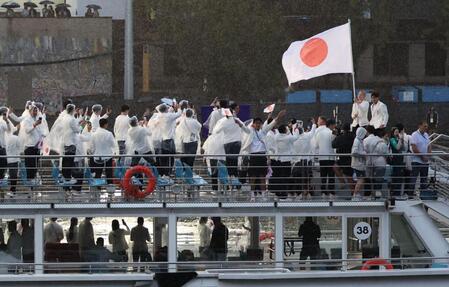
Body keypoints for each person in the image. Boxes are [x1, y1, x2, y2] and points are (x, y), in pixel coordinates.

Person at [240, 110, 286, 200]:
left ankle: (264, 195)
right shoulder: (250, 132)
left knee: (262, 177)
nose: (258, 125)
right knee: (252, 177)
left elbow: (272, 124)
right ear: (253, 124)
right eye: (256, 123)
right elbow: (242, 127)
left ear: (261, 124)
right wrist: (237, 121)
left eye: (259, 123)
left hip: (262, 156)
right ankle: (253, 195)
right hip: (253, 156)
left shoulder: (263, 131)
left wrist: (278, 116)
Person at [212, 102, 248, 178]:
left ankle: (230, 179)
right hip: (237, 143)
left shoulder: (223, 121)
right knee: (234, 162)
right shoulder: (237, 120)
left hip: (227, 143)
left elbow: (216, 131)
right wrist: (240, 124)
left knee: (228, 162)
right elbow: (247, 131)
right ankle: (235, 178)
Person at [312, 117, 336, 199]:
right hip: (330, 157)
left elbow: (316, 145)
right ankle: (331, 193)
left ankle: (323, 192)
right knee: (331, 176)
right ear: (331, 125)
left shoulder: (319, 133)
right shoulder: (331, 133)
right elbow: (334, 144)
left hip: (322, 157)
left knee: (323, 176)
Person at [291, 118, 317, 199]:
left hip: (297, 162)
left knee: (298, 179)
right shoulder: (307, 136)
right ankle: (307, 192)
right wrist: (314, 123)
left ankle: (299, 194)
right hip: (307, 161)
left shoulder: (293, 138)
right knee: (307, 178)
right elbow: (312, 131)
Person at [272, 124, 299, 198]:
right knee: (285, 177)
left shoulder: (276, 136)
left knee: (278, 177)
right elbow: (296, 137)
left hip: (278, 159)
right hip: (286, 160)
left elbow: (279, 133)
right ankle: (284, 194)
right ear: (284, 130)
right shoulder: (288, 137)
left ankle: (278, 193)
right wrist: (295, 129)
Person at [20, 104, 45, 184]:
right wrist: (34, 124)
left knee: (35, 166)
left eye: (36, 110)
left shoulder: (36, 119)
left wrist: (42, 136)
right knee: (30, 167)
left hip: (37, 146)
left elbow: (39, 132)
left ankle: (34, 188)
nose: (35, 112)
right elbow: (27, 130)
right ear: (30, 111)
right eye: (34, 110)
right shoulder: (26, 120)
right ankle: (30, 188)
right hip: (29, 147)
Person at [89, 118, 117, 188]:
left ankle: (97, 190)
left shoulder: (94, 134)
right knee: (109, 173)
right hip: (108, 156)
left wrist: (92, 153)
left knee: (98, 173)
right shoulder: (109, 134)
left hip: (97, 157)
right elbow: (113, 145)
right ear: (105, 125)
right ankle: (110, 191)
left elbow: (92, 147)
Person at [156, 104, 182, 176]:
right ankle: (169, 173)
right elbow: (179, 114)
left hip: (162, 140)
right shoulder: (168, 116)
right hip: (169, 140)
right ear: (166, 110)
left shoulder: (158, 116)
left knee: (164, 159)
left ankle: (164, 174)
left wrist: (171, 109)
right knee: (171, 158)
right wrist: (179, 107)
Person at [410, 121, 432, 198]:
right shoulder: (414, 135)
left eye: (427, 126)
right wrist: (423, 156)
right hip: (416, 161)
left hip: (425, 162)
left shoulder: (426, 135)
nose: (426, 128)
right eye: (424, 126)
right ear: (420, 126)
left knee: (424, 179)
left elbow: (429, 145)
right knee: (413, 178)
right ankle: (410, 195)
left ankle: (423, 195)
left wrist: (428, 155)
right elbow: (414, 148)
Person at [365, 129, 389, 197]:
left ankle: (369, 194)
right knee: (379, 178)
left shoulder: (367, 140)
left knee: (369, 178)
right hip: (381, 163)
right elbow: (387, 153)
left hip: (370, 162)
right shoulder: (382, 142)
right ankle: (377, 192)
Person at [332, 123, 355, 190]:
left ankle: (354, 193)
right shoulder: (353, 136)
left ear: (343, 130)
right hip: (350, 158)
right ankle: (343, 183)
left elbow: (333, 145)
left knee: (349, 177)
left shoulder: (340, 137)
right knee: (336, 167)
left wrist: (337, 136)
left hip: (344, 159)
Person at [61, 104, 80, 184]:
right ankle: (68, 178)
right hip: (71, 142)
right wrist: (81, 126)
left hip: (65, 141)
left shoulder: (65, 117)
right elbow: (77, 130)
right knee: (69, 161)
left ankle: (65, 176)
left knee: (65, 160)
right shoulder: (72, 119)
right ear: (72, 110)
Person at [351, 127, 367, 199]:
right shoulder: (357, 141)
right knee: (361, 179)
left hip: (359, 164)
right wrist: (363, 153)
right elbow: (354, 152)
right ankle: (355, 194)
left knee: (361, 180)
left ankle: (357, 194)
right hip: (358, 164)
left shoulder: (359, 140)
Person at [390, 126, 406, 197]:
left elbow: (403, 148)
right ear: (393, 133)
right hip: (395, 159)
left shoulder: (398, 139)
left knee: (400, 176)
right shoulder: (392, 139)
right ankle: (394, 192)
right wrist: (400, 139)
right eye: (395, 132)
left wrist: (402, 140)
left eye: (398, 132)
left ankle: (399, 192)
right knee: (396, 175)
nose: (397, 133)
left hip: (401, 159)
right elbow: (397, 147)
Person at [6, 127, 21, 196]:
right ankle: (13, 191)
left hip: (7, 159)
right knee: (14, 176)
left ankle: (9, 191)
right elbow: (19, 147)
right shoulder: (16, 138)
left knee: (9, 175)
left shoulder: (6, 138)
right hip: (15, 159)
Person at [0, 107, 11, 185]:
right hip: (1, 148)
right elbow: (9, 130)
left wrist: (7, 121)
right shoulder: (2, 121)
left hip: (1, 147)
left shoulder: (2, 121)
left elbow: (9, 130)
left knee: (3, 165)